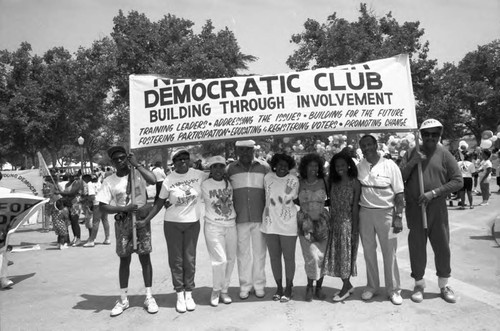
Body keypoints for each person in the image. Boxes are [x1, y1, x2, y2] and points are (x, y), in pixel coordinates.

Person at [399, 119, 463, 304]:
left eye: (434, 134)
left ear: (439, 135)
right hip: (415, 208)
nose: (430, 137)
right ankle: (419, 284)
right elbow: (399, 177)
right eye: (426, 134)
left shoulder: (444, 154)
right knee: (417, 247)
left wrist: (434, 193)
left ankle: (444, 284)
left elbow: (458, 180)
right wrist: (413, 162)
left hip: (437, 208)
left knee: (442, 246)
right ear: (421, 134)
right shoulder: (412, 152)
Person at [142, 148, 208, 313]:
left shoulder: (199, 174)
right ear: (174, 162)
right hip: (172, 224)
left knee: (190, 260)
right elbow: (159, 202)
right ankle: (179, 293)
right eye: (179, 159)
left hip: (193, 223)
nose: (183, 161)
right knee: (176, 261)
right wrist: (146, 220)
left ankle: (189, 293)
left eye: (186, 158)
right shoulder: (168, 180)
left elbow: (219, 172)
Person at [95, 146, 158, 316]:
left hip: (141, 220)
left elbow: (152, 180)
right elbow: (103, 206)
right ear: (112, 162)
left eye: (122, 157)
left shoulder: (137, 173)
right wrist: (124, 208)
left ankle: (149, 296)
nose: (120, 161)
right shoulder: (109, 180)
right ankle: (123, 298)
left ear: (127, 157)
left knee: (145, 257)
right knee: (124, 260)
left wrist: (137, 165)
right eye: (116, 159)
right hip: (123, 221)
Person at [357, 134, 405, 305]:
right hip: (365, 214)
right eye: (363, 145)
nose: (367, 148)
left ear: (376, 145)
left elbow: (399, 194)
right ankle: (372, 287)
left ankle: (393, 290)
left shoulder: (390, 165)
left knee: (389, 253)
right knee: (369, 252)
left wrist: (398, 217)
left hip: (386, 214)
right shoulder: (359, 166)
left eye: (370, 144)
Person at [227, 140, 270, 300]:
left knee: (259, 254)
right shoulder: (230, 169)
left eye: (248, 149)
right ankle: (245, 286)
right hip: (239, 218)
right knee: (243, 255)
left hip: (260, 217)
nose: (245, 152)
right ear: (237, 151)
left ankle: (259, 285)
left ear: (253, 150)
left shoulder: (264, 167)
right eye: (242, 150)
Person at [323, 152, 361, 302]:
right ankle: (348, 285)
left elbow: (355, 207)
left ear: (349, 165)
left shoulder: (354, 183)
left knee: (346, 257)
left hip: (347, 223)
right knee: (338, 256)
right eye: (337, 165)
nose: (340, 168)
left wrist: (355, 229)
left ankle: (345, 288)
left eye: (343, 165)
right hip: (334, 222)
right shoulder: (332, 182)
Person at [261, 153, 299, 302]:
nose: (282, 167)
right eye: (280, 164)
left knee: (289, 258)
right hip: (270, 224)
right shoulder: (267, 178)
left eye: (286, 165)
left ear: (289, 166)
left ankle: (289, 287)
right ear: (274, 164)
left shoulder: (293, 180)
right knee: (274, 258)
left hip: (289, 225)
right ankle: (279, 287)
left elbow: (291, 198)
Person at [201, 155, 237, 307]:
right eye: (214, 166)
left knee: (230, 259)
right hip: (213, 226)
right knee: (219, 260)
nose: (218, 169)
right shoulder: (204, 184)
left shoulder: (229, 183)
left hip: (230, 225)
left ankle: (225, 290)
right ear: (210, 168)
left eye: (221, 166)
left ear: (224, 168)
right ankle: (216, 290)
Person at [296, 153, 330, 302]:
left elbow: (331, 199)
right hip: (305, 223)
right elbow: (292, 199)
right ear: (305, 167)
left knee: (321, 256)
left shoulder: (325, 181)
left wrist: (320, 208)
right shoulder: (299, 182)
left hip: (322, 222)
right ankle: (309, 286)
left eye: (316, 165)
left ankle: (319, 288)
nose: (313, 168)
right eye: (310, 165)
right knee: (310, 257)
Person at [83, 175, 111, 247]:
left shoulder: (90, 184)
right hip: (104, 202)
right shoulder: (100, 182)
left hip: (97, 203)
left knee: (95, 222)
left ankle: (92, 240)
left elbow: (92, 196)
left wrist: (86, 198)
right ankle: (107, 238)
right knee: (105, 220)